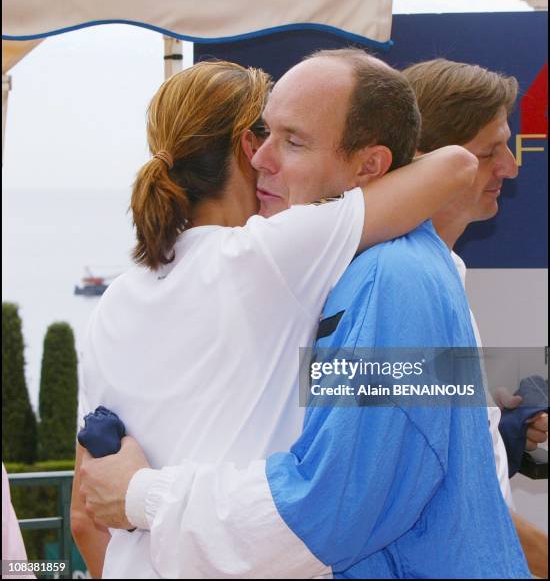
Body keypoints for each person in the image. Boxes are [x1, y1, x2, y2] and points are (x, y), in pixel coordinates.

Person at [79, 51, 529, 578]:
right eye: (262, 136)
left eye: (290, 141)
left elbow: (346, 495)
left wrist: (141, 495)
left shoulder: (389, 279)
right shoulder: (337, 271)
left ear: (372, 167)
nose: (263, 159)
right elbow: (352, 491)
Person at [404, 57, 548, 578]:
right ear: (427, 160)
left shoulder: (442, 268)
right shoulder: (401, 280)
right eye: (490, 152)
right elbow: (413, 494)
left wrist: (505, 430)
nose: (510, 167)